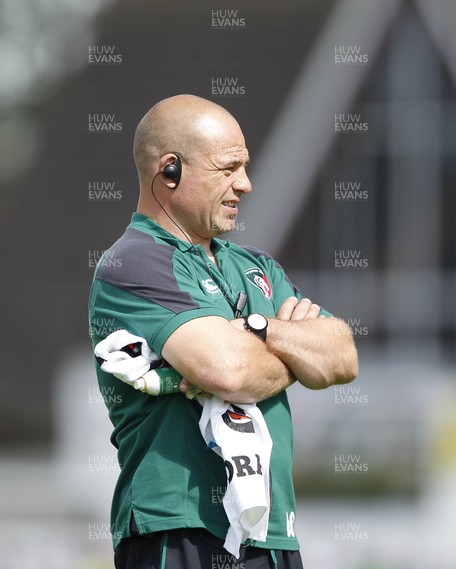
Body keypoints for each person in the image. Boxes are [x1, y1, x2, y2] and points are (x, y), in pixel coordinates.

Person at [88, 94, 358, 569]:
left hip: (273, 535)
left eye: (245, 167)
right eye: (228, 168)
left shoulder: (257, 265)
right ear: (169, 170)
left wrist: (253, 328)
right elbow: (228, 371)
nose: (246, 184)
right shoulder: (133, 261)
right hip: (181, 528)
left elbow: (340, 357)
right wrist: (293, 349)